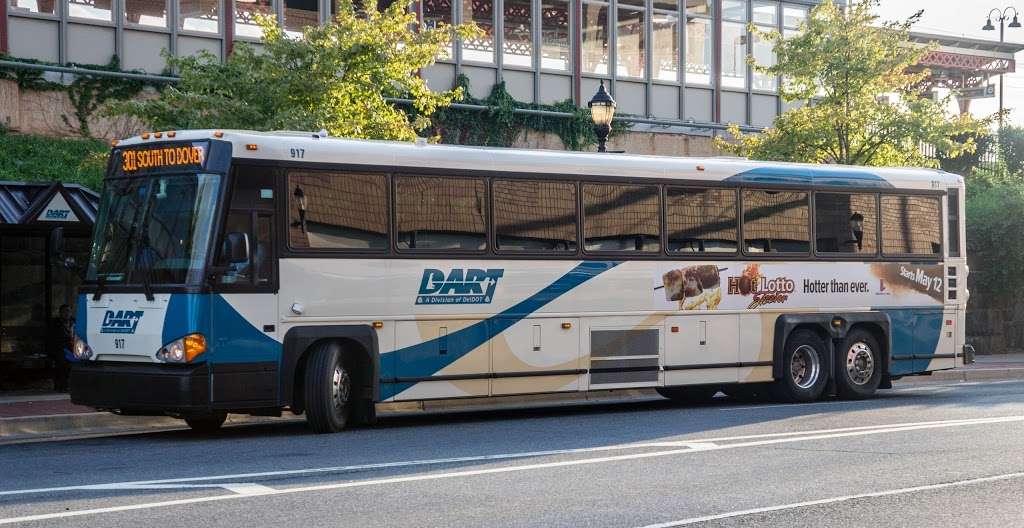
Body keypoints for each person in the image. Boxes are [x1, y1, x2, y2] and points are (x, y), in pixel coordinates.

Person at [50, 304, 75, 392]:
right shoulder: (55, 323)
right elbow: (53, 339)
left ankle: (70, 385)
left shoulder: (74, 322)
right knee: (61, 364)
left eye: (68, 311)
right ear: (60, 313)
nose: (66, 313)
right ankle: (61, 386)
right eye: (64, 311)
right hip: (60, 349)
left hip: (73, 349)